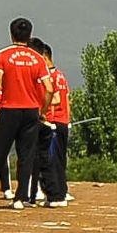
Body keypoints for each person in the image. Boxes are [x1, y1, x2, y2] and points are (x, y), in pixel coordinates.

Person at [0, 18, 50, 207]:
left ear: (11, 34)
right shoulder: (37, 58)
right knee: (26, 154)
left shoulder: (3, 55)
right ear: (29, 35)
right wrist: (41, 110)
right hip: (31, 111)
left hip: (9, 109)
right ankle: (20, 197)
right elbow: (49, 89)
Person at [34, 40, 72, 206]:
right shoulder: (61, 76)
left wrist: (41, 110)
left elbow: (55, 99)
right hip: (63, 121)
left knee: (49, 159)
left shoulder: (48, 77)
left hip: (53, 121)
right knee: (59, 159)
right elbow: (67, 100)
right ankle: (61, 190)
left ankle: (53, 193)